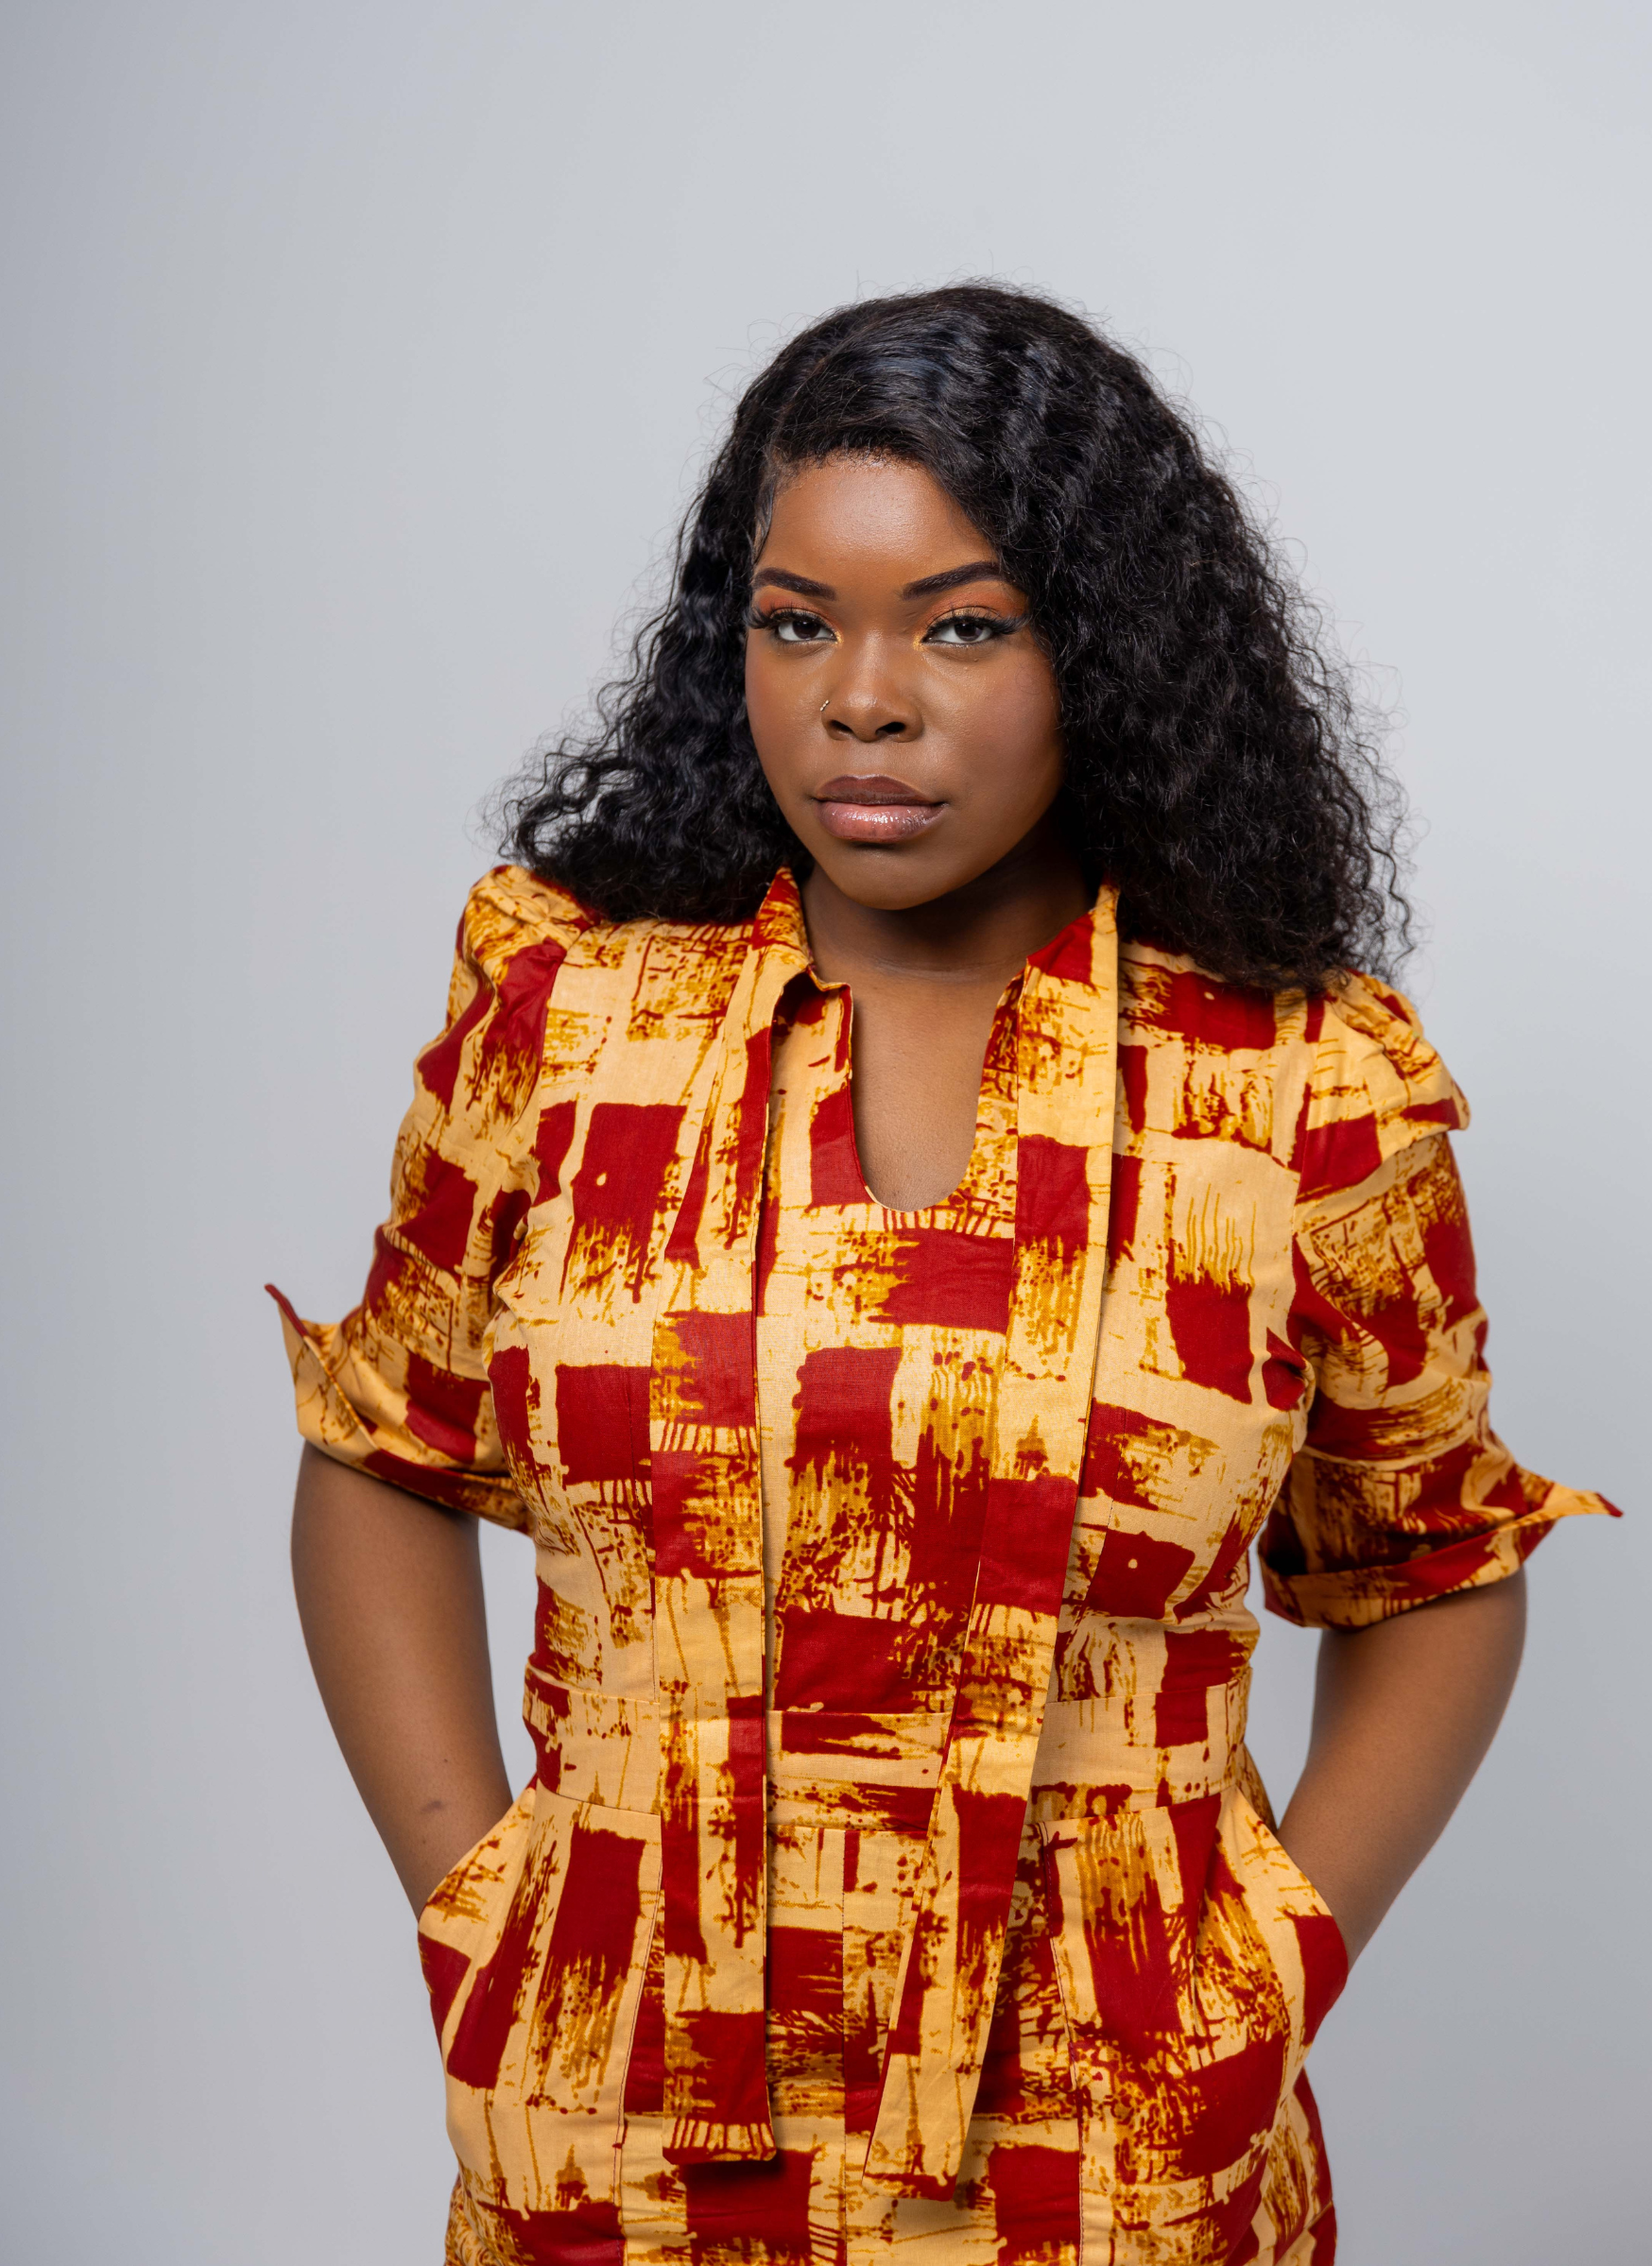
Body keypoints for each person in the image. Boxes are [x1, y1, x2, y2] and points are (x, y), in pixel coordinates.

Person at [273, 284, 1614, 2265]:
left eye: (961, 626)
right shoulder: (569, 1025)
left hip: (1117, 2167)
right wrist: (477, 1901)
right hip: (616, 2148)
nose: (862, 698)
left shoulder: (1293, 1088)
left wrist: (1265, 1968)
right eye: (795, 621)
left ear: (1104, 653)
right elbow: (384, 1446)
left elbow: (1430, 1560)